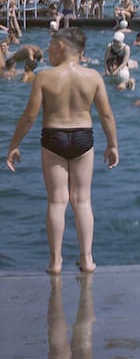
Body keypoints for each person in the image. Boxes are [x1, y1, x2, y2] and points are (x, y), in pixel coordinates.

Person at [5, 26, 119, 275]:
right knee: (82, 199)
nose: (46, 50)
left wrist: (14, 145)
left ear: (61, 47)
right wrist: (112, 144)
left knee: (57, 201)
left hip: (53, 137)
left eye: (50, 45)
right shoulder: (93, 77)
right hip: (82, 137)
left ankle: (55, 262)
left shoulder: (45, 77)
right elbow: (106, 114)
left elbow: (29, 116)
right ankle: (87, 259)